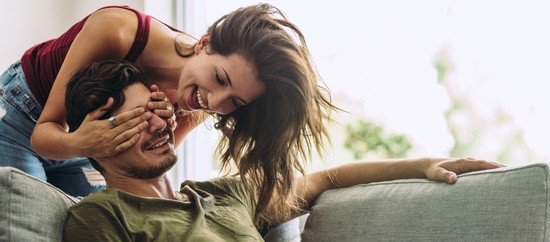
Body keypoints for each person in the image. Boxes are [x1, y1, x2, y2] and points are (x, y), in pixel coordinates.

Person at [61, 60, 502, 242]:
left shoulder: (225, 194)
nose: (157, 126)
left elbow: (325, 177)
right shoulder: (102, 216)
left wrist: (420, 165)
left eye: (155, 112)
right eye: (132, 121)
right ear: (94, 139)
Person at [0, 3, 335, 218]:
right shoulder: (117, 30)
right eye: (220, 78)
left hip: (91, 147)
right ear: (204, 43)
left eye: (235, 102)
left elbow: (147, 170)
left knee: (82, 225)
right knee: (28, 218)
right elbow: (44, 134)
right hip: (23, 114)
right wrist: (82, 143)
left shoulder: (198, 102)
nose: (216, 103)